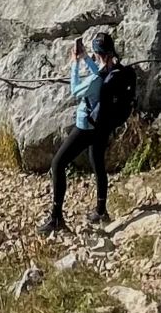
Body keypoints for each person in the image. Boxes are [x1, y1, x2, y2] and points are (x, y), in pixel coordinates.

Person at [43, 29, 118, 237]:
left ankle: (56, 217)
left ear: (98, 53)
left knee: (58, 163)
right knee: (97, 161)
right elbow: (98, 72)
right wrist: (85, 58)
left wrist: (75, 63)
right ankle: (101, 210)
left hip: (86, 125)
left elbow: (75, 90)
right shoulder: (112, 69)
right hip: (102, 124)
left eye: (92, 54)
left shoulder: (96, 79)